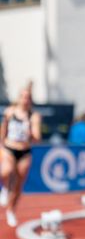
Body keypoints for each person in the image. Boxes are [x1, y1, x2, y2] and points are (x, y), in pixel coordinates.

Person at [0, 86, 41, 227]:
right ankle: (4, 188)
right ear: (19, 98)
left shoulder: (33, 116)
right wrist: (2, 145)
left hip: (24, 151)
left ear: (30, 100)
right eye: (23, 96)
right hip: (9, 147)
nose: (25, 100)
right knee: (6, 171)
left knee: (18, 183)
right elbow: (3, 131)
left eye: (28, 97)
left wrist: (30, 130)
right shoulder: (10, 112)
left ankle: (11, 209)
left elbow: (37, 138)